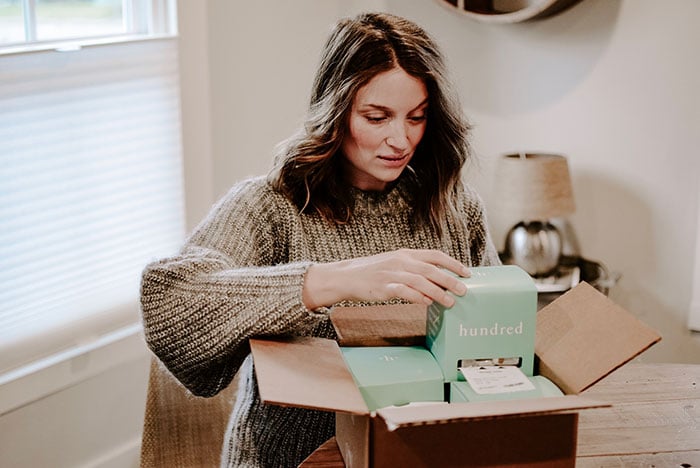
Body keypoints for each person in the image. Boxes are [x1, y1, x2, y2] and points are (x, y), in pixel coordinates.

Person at [140, 11, 500, 468]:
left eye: (417, 117)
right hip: (291, 460)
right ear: (336, 111)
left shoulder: (453, 206)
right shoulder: (271, 206)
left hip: (423, 454)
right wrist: (329, 281)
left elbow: (492, 336)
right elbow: (169, 303)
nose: (401, 139)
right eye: (377, 117)